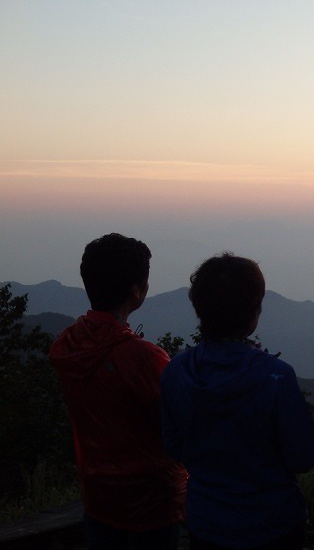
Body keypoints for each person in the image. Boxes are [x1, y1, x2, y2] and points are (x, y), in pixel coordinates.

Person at [160, 253, 314, 550]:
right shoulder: (276, 376)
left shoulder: (176, 371)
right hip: (273, 524)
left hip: (207, 522)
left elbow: (173, 447)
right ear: (254, 312)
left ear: (200, 308)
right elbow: (304, 456)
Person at [50, 233, 187, 550]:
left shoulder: (67, 346)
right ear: (137, 291)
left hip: (98, 497)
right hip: (152, 502)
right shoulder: (144, 359)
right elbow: (174, 428)